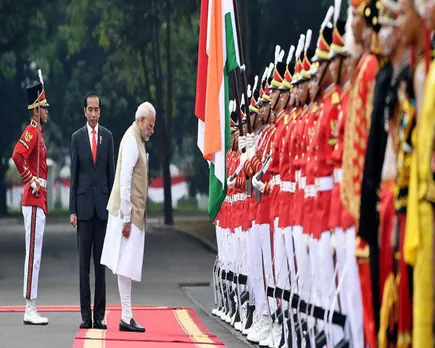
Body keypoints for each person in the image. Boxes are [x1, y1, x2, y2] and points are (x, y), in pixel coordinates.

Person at [101, 101, 156, 333]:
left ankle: (126, 314)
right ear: (141, 120)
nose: (152, 130)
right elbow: (124, 181)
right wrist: (125, 217)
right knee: (125, 264)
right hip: (127, 213)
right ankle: (126, 315)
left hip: (130, 212)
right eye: (151, 125)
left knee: (127, 264)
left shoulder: (137, 139)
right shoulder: (133, 140)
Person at [69, 91, 115, 329]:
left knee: (100, 266)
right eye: (90, 109)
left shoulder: (107, 137)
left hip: (103, 211)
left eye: (97, 109)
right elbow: (74, 175)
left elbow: (112, 175)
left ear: (100, 111)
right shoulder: (77, 138)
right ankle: (85, 316)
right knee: (83, 267)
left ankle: (99, 316)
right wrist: (72, 210)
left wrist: (114, 209)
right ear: (84, 111)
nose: (94, 114)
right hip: (84, 210)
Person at [11, 72, 50, 325]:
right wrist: (30, 180)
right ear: (36, 110)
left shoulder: (39, 133)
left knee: (35, 255)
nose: (47, 111)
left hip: (39, 198)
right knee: (32, 255)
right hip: (34, 198)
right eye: (44, 107)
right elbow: (17, 155)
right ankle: (29, 307)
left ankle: (31, 305)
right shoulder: (32, 131)